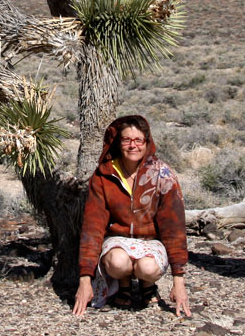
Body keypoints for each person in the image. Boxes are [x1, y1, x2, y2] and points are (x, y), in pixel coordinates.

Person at [73, 115, 191, 317]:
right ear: (118, 143)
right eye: (126, 140)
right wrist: (85, 279)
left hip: (151, 241)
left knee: (147, 267)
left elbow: (174, 227)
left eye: (138, 140)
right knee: (117, 261)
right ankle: (124, 285)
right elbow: (93, 226)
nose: (132, 146)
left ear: (147, 142)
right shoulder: (104, 175)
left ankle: (148, 285)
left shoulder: (162, 174)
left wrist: (178, 281)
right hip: (118, 241)